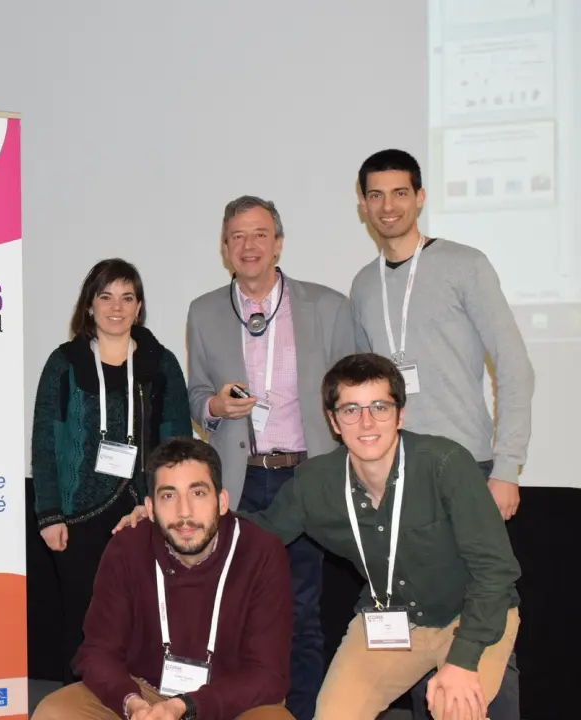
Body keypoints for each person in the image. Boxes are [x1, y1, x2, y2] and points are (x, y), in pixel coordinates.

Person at [117, 354, 520, 719]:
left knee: (458, 708)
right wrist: (170, 516)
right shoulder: (316, 482)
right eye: (351, 410)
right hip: (390, 622)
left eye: (380, 407)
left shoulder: (445, 465)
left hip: (471, 618)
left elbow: (495, 572)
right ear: (333, 421)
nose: (366, 423)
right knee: (331, 715)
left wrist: (462, 661)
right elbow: (258, 530)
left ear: (400, 414)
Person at [349, 148, 532, 719]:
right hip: (395, 479)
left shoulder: (464, 264)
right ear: (363, 206)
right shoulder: (363, 285)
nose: (388, 206)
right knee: (411, 627)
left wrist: (507, 467)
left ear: (420, 197)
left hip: (466, 469)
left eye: (400, 193)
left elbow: (515, 366)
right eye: (376, 195)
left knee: (484, 620)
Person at [184, 195, 354, 720]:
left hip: (305, 476)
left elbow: (350, 394)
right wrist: (215, 407)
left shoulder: (328, 306)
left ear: (278, 243)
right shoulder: (204, 311)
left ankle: (299, 713)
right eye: (237, 236)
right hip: (238, 480)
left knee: (301, 610)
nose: (249, 245)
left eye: (260, 234)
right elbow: (196, 393)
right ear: (224, 248)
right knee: (231, 609)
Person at [34, 437, 294, 720]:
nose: (184, 512)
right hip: (144, 693)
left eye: (198, 493)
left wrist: (185, 706)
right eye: (168, 496)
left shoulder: (261, 552)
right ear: (150, 508)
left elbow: (267, 675)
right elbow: (97, 652)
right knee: (54, 713)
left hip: (231, 699)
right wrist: (131, 703)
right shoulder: (127, 548)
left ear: (221, 502)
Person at [31, 258, 193, 683]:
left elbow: (177, 443)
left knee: (143, 620)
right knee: (83, 620)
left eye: (127, 297)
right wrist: (49, 515)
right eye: (105, 297)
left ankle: (137, 703)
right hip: (76, 517)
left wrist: (161, 505)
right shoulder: (64, 363)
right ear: (89, 305)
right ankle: (78, 703)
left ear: (139, 307)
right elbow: (46, 442)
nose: (116, 307)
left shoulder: (160, 363)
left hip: (143, 512)